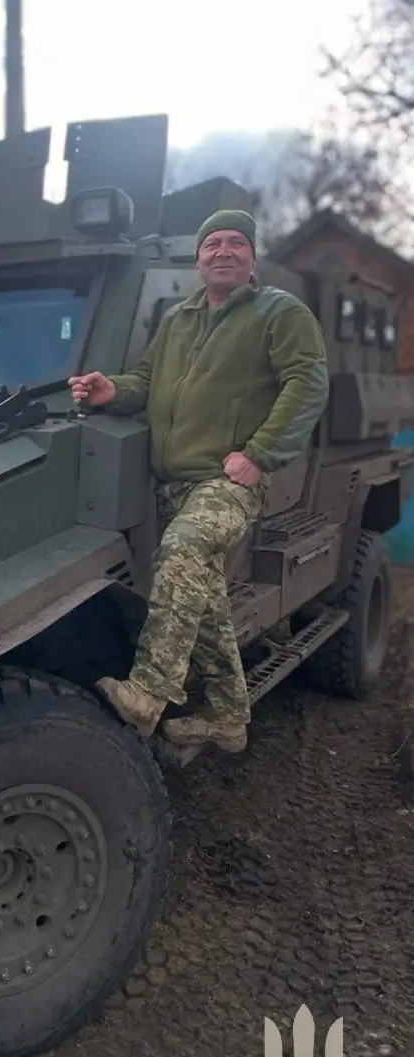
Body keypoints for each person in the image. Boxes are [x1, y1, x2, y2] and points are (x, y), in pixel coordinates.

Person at [68, 209, 329, 753]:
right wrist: (110, 390)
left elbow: (307, 382)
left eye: (237, 243)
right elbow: (146, 380)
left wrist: (260, 455)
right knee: (202, 596)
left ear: (253, 257)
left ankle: (148, 692)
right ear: (199, 257)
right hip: (174, 482)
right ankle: (228, 718)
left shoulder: (278, 312)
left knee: (182, 552)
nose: (224, 252)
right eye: (213, 244)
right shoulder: (179, 319)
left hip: (228, 480)